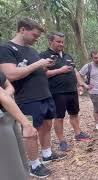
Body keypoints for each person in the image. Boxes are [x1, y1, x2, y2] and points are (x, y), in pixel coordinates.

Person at [0, 17, 66, 178]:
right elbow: (9, 74)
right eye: (34, 35)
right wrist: (38, 64)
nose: (36, 39)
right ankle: (34, 165)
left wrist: (44, 65)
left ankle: (47, 153)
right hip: (27, 97)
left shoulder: (31, 50)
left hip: (44, 93)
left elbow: (35, 70)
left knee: (46, 125)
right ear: (22, 30)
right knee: (31, 130)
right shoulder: (6, 48)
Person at [39, 32, 90, 151]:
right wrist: (60, 70)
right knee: (59, 117)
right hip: (57, 92)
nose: (61, 44)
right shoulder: (44, 56)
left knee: (74, 113)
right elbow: (43, 74)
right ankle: (62, 141)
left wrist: (82, 83)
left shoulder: (68, 56)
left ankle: (78, 134)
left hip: (72, 90)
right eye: (58, 41)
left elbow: (75, 72)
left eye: (62, 42)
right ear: (50, 41)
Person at [0, 71, 37, 180]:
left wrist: (5, 96)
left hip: (9, 115)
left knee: (20, 161)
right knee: (9, 165)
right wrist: (26, 124)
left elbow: (9, 86)